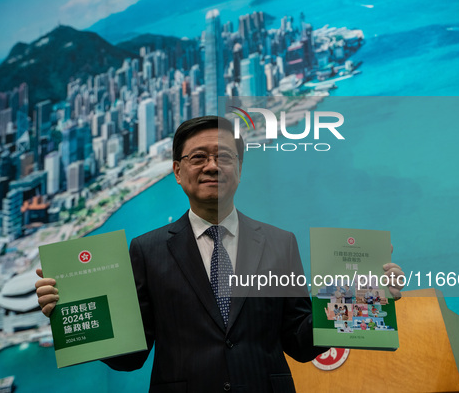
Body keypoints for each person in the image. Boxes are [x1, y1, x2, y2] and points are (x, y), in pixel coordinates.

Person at [36, 116, 405, 392]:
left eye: (224, 156)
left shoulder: (281, 243)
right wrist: (68, 312)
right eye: (198, 157)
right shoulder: (146, 250)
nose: (212, 165)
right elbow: (131, 356)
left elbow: (301, 342)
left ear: (240, 170)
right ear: (178, 172)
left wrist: (366, 296)